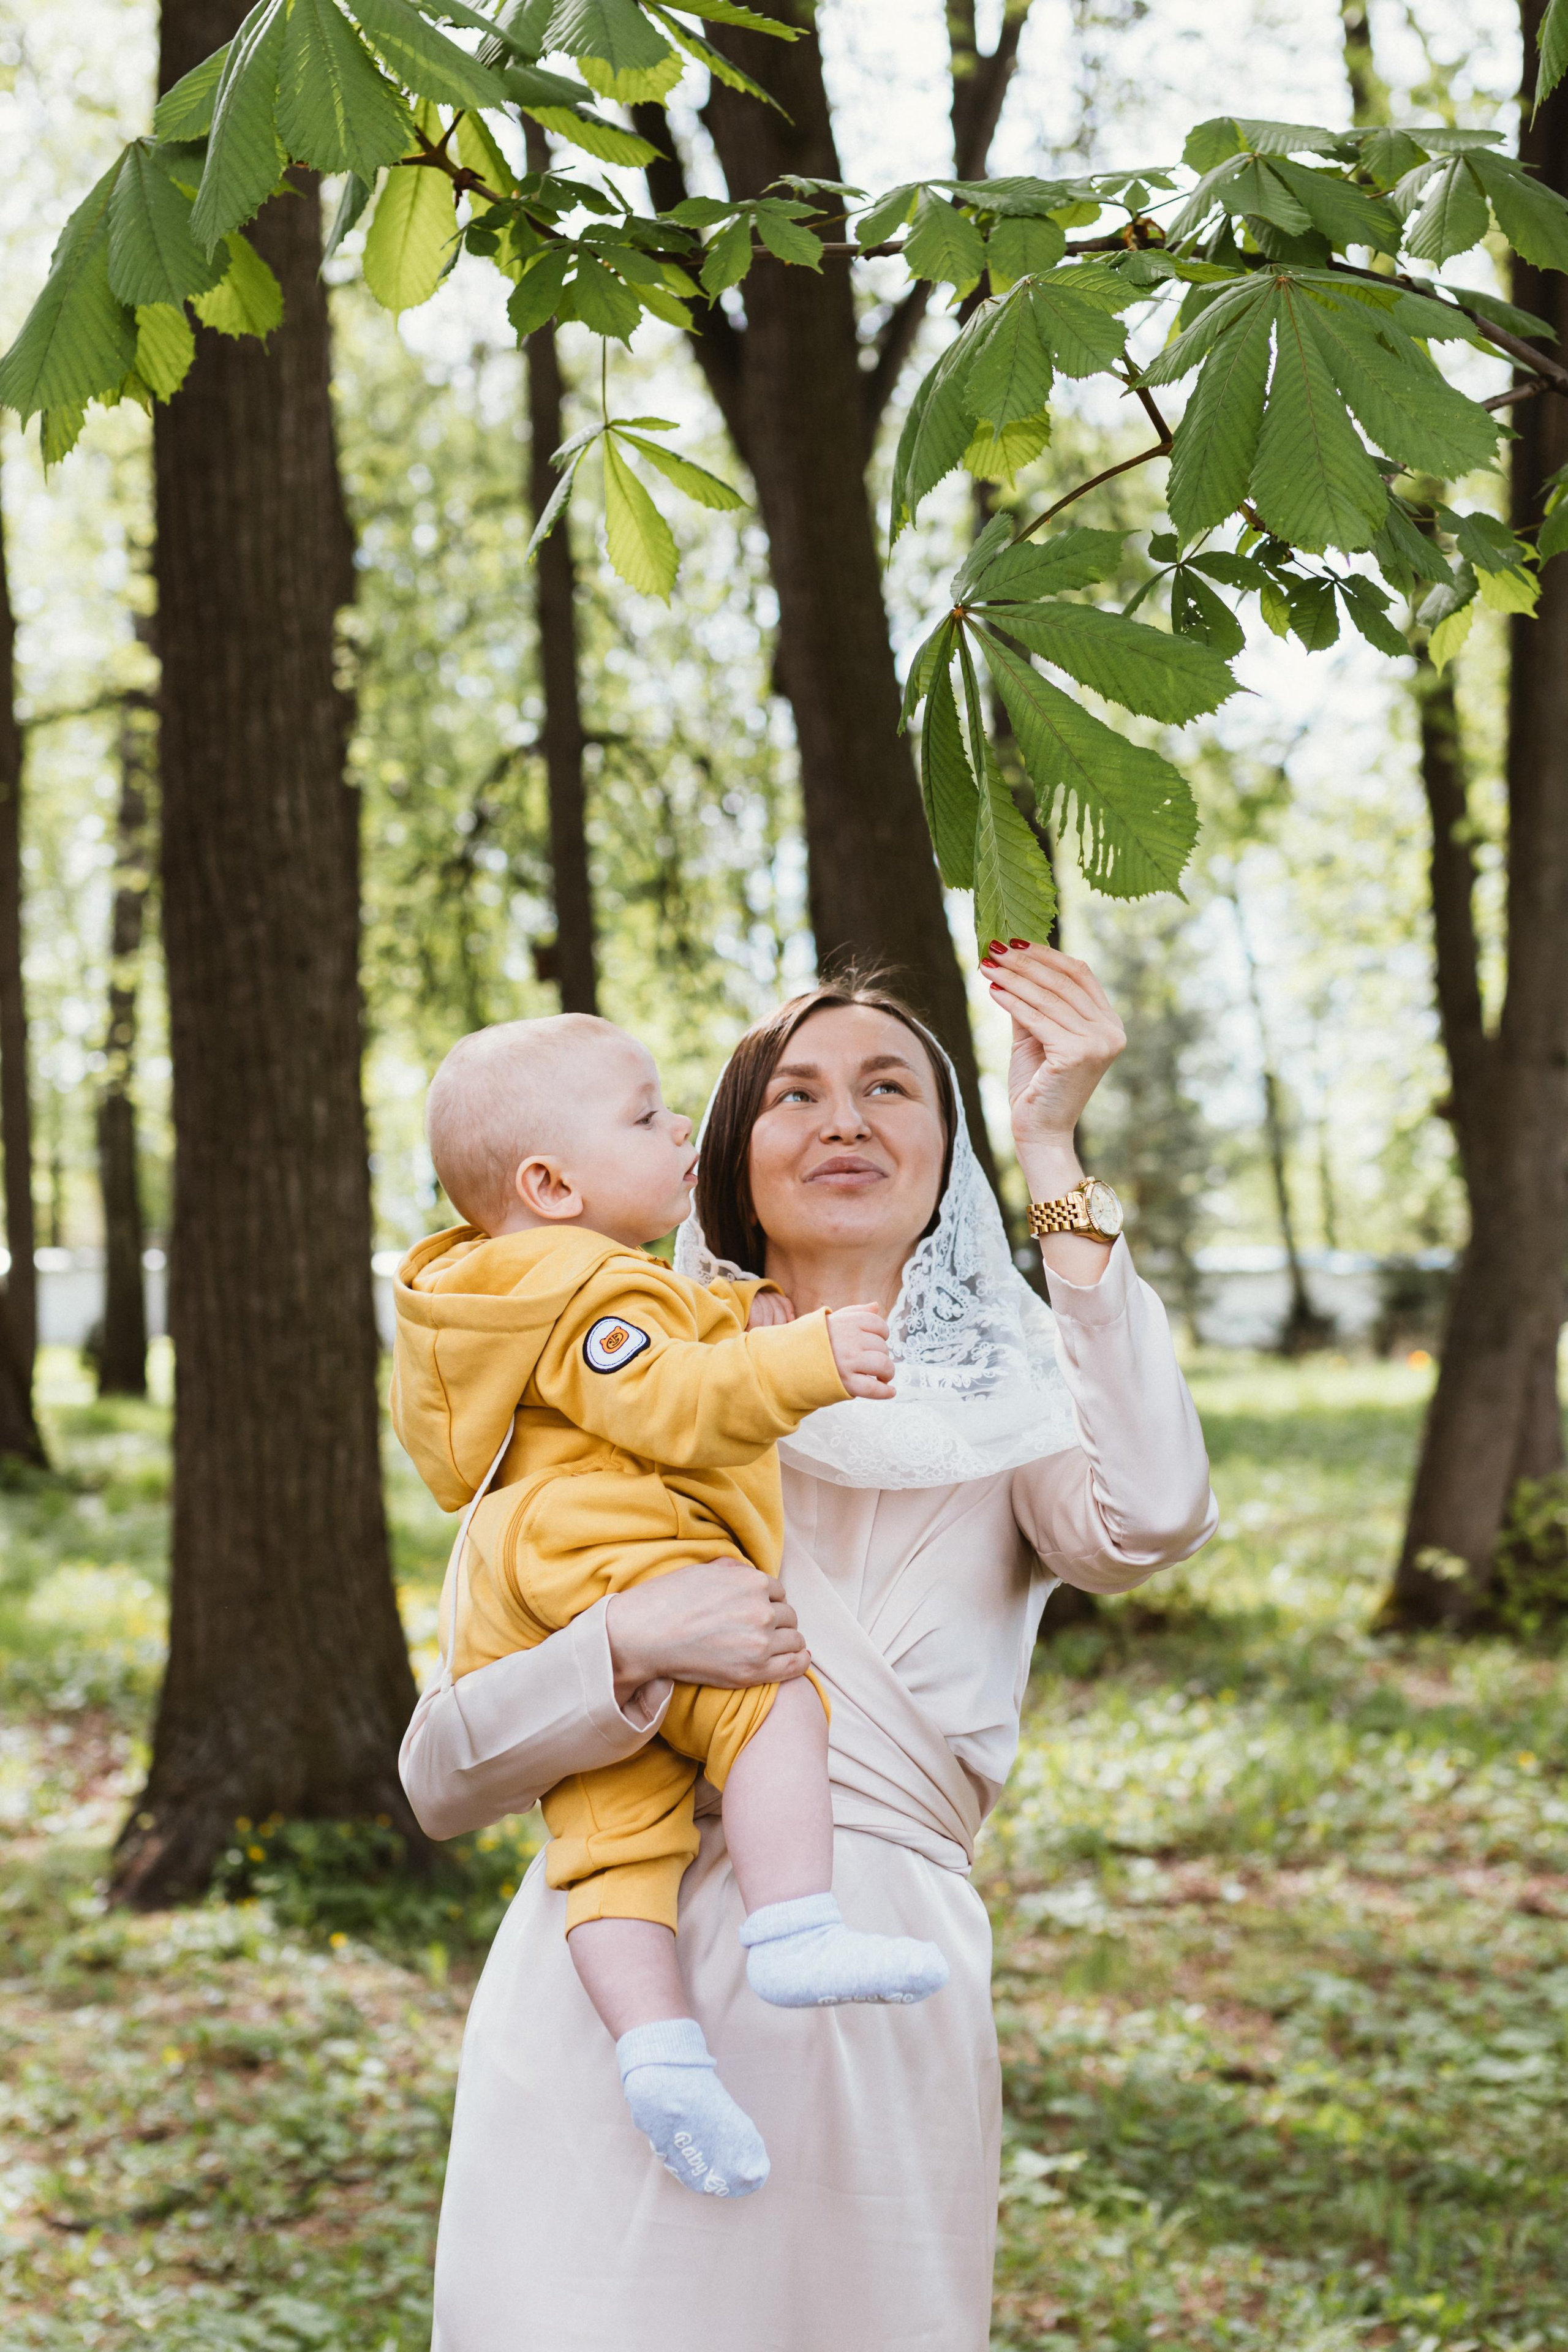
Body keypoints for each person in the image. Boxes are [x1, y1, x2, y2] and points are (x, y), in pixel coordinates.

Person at [399, 943, 1218, 2352]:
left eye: (889, 1086)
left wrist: (1052, 1151)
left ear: (946, 1147)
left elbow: (1148, 1517)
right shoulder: (609, 1368)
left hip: (871, 1988)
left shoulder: (1008, 1396)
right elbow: (438, 1775)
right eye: (795, 1093)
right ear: (726, 1149)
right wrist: (618, 1648)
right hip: (619, 1986)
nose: (844, 1119)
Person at [392, 1016, 949, 2199]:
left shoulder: (543, 1293)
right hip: (613, 1554)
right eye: (647, 1117)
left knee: (608, 1847)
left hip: (554, 1569)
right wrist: (800, 1362)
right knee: (766, 1699)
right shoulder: (590, 1286)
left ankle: (659, 2057)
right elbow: (667, 1404)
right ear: (550, 1184)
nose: (681, 1127)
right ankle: (796, 1924)